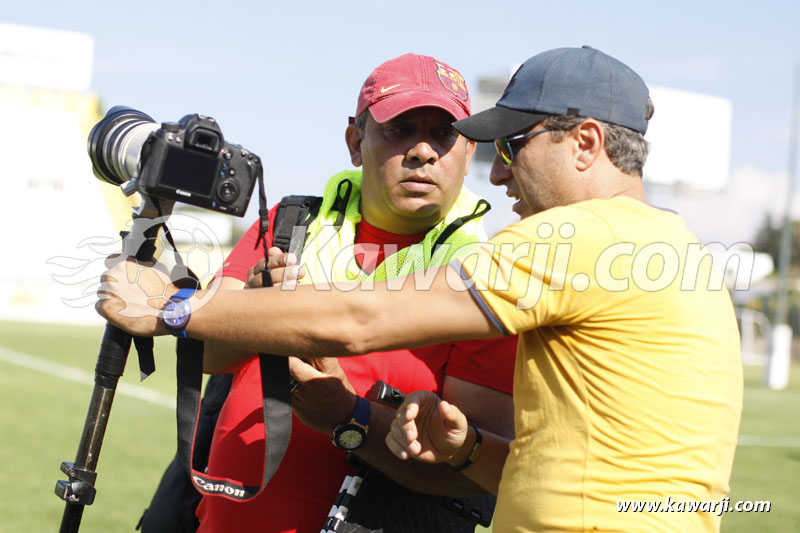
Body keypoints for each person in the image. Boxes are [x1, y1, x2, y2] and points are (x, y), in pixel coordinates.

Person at [98, 46, 743, 532]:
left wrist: (173, 307)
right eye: (400, 131)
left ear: (586, 143)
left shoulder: (578, 236)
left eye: (512, 147)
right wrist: (463, 449)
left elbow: (361, 317)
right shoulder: (672, 248)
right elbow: (544, 462)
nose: (499, 175)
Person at [142, 52, 517, 533]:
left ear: (468, 152)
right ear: (355, 142)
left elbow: (475, 469)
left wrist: (350, 419)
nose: (423, 151)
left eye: (443, 134)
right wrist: (250, 306)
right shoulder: (289, 222)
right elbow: (208, 356)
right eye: (400, 129)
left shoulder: (487, 274)